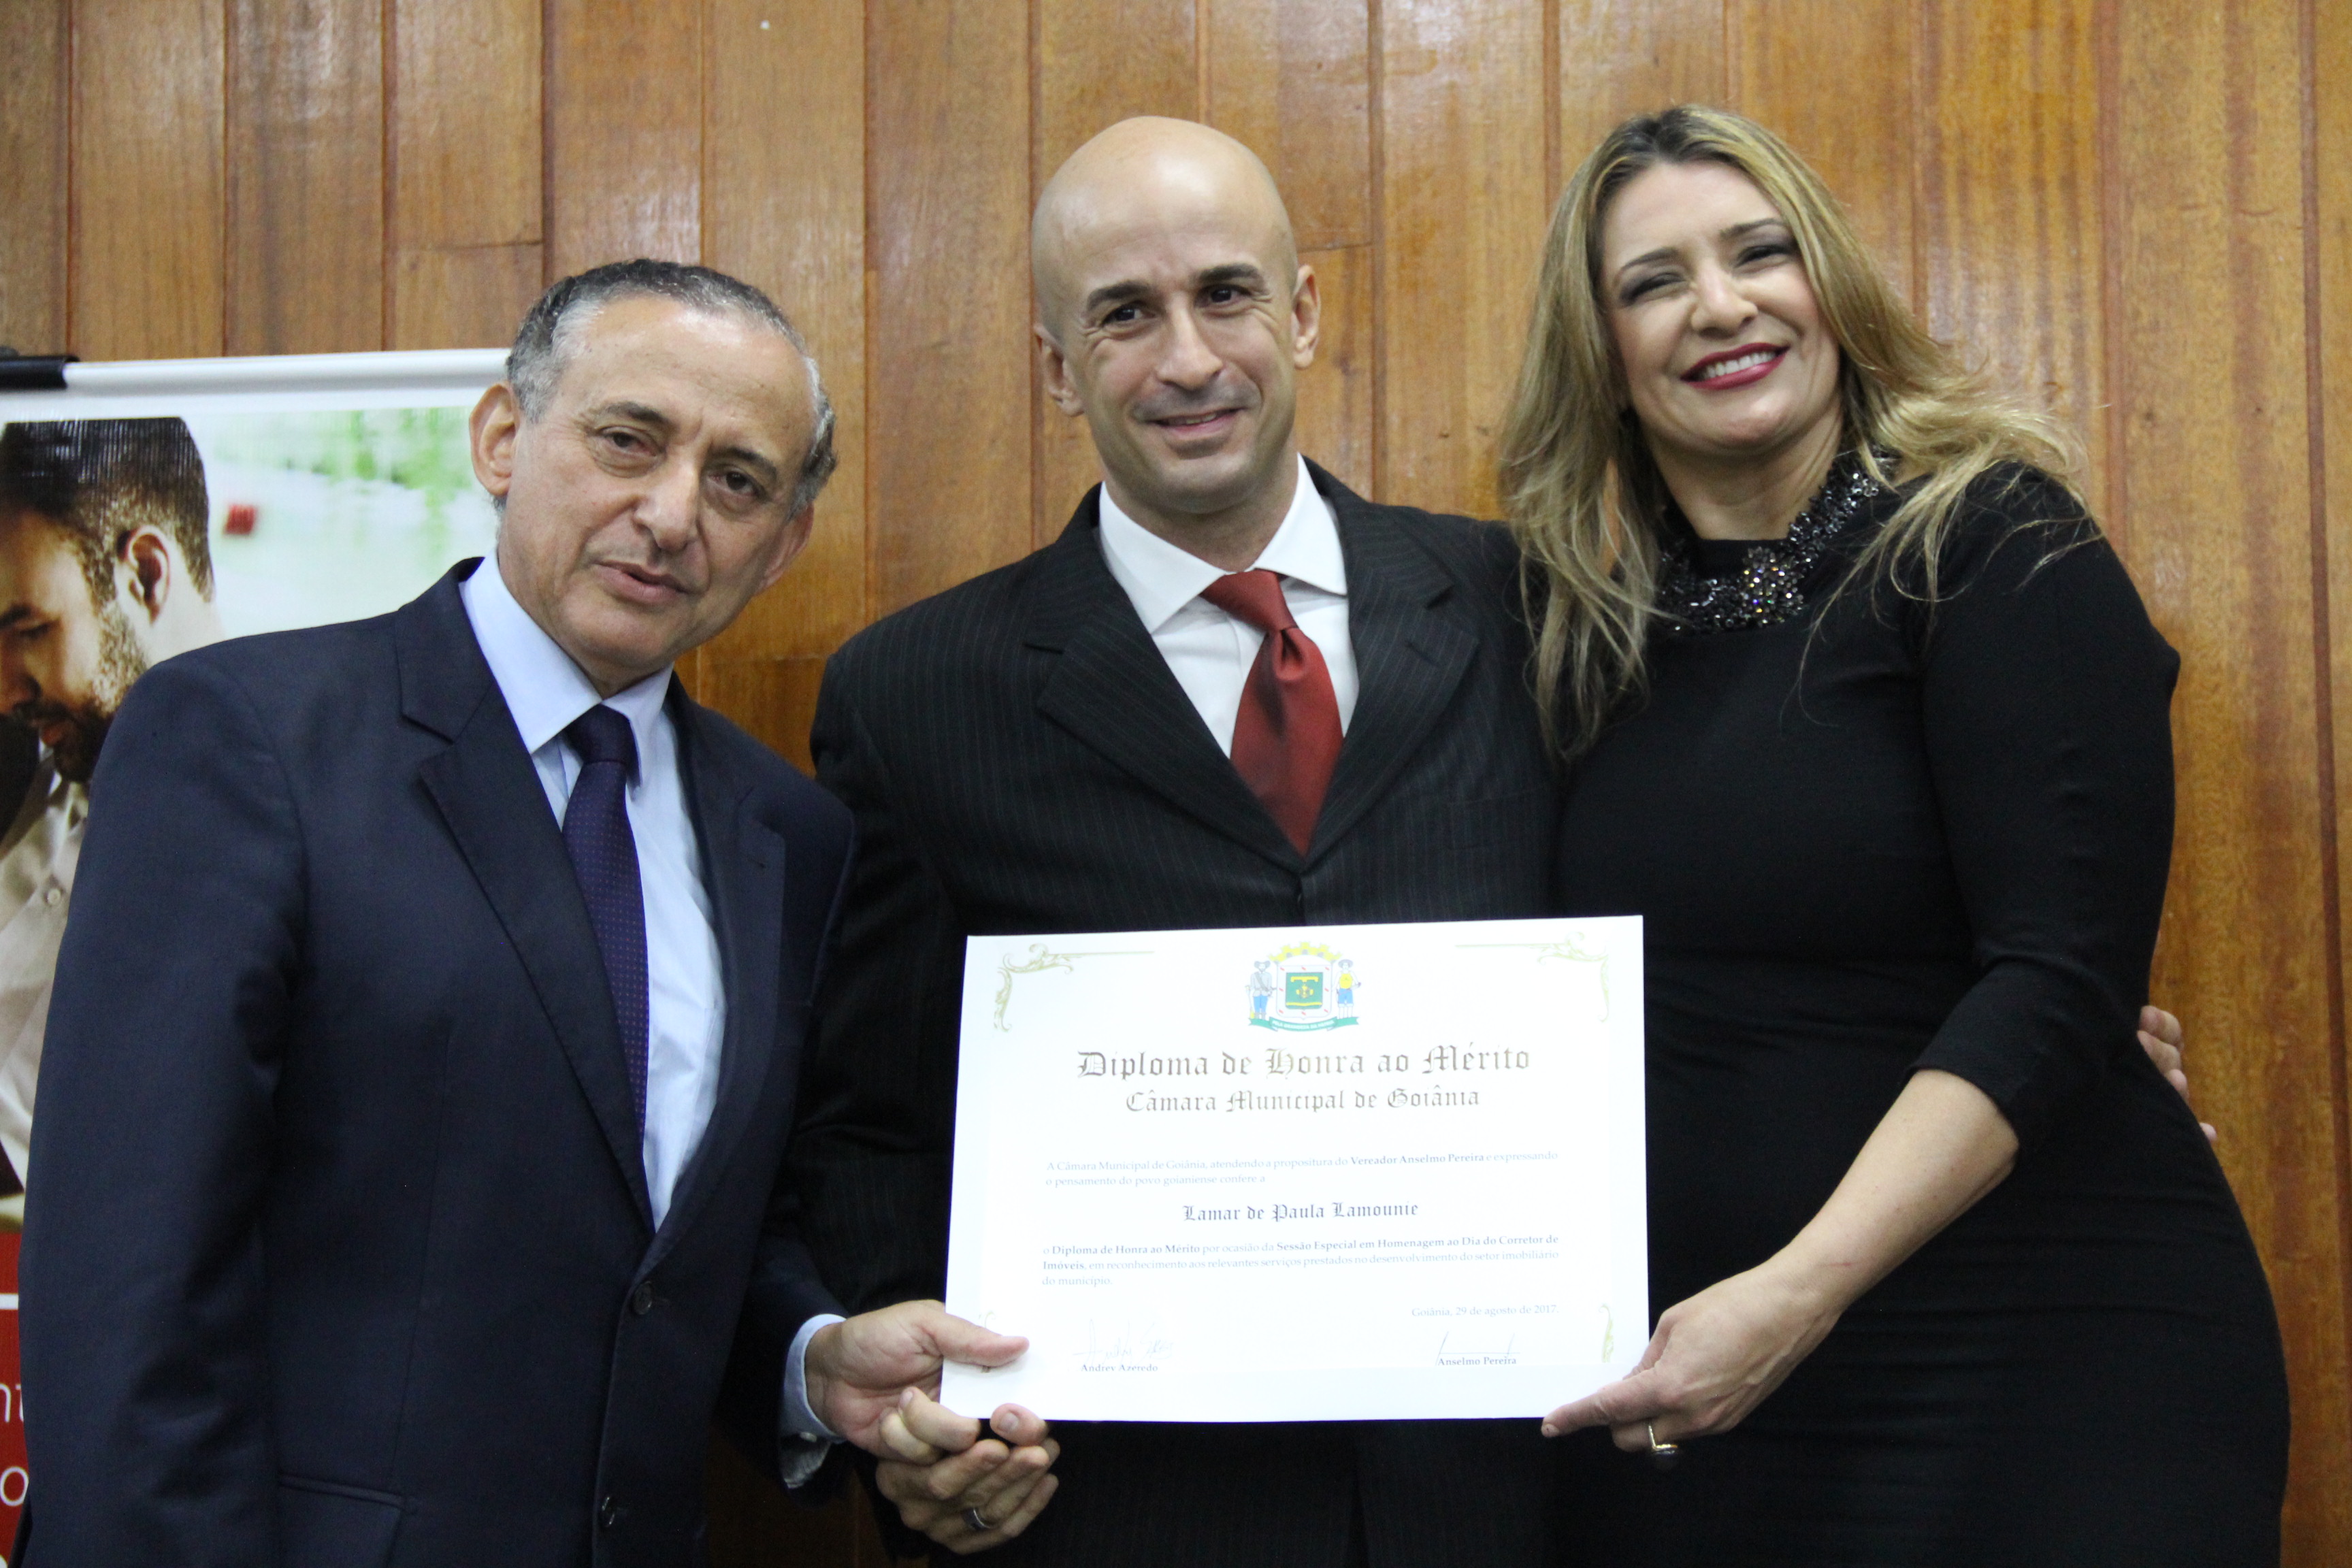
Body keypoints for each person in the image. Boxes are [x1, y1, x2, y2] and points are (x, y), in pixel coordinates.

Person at [17, 262, 1054, 1567]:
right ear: (503, 439)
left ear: (783, 543)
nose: (671, 513)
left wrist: (810, 1357)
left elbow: (669, 1245)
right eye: (628, 439)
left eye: (738, 481)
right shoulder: (245, 738)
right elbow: (126, 1275)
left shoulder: (787, 834)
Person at [1511, 107, 2288, 1563]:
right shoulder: (1584, 635)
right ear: (1600, 352)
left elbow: (2058, 979)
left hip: (2045, 1363)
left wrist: (1796, 1292)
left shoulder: (1995, 544)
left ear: (1833, 287)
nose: (1721, 305)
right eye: (1654, 281)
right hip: (1712, 1392)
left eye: (1761, 253)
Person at [791, 118, 1561, 1565]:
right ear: (1055, 367)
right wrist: (924, 1430)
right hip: (1114, 1505)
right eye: (1124, 315)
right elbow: (874, 1123)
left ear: (1304, 311)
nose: (1189, 359)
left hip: (1503, 1490)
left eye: (1225, 293)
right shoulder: (914, 695)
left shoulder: (1530, 610)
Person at [0, 419, 225, 1212]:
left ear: (147, 575)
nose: (5, 690)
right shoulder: (38, 771)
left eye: (30, 630)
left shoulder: (283, 835)